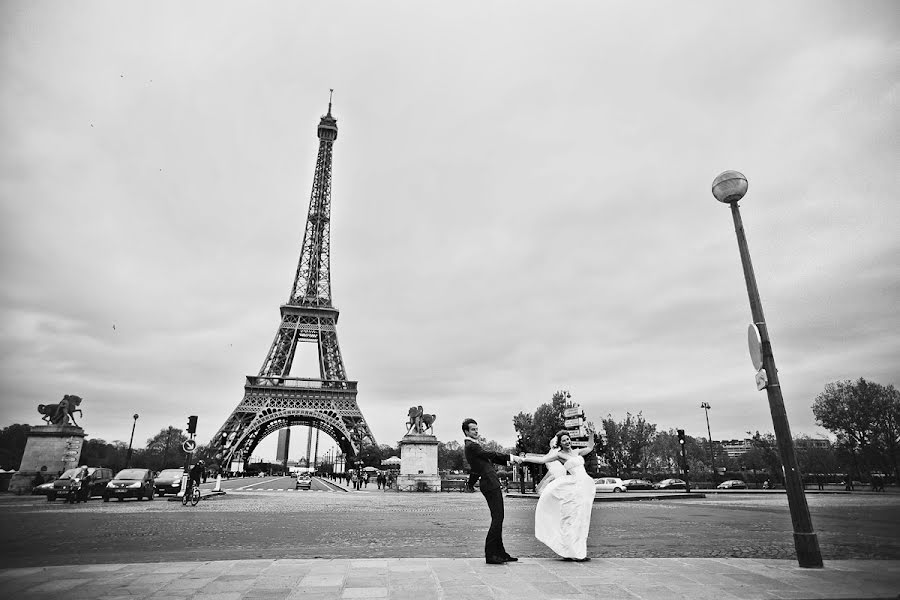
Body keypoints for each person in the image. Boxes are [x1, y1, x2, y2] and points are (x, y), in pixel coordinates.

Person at [520, 430, 596, 562]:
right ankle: (571, 551)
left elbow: (590, 447)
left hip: (585, 486)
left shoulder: (576, 452)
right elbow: (542, 460)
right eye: (564, 440)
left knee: (583, 519)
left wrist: (591, 435)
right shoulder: (559, 455)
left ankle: (578, 552)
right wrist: (523, 459)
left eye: (568, 439)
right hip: (575, 487)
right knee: (573, 519)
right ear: (560, 443)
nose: (567, 442)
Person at [462, 418, 523, 565]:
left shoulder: (473, 445)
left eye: (477, 429)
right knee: (497, 518)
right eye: (473, 429)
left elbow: (483, 463)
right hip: (490, 483)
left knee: (498, 518)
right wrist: (511, 457)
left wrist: (510, 461)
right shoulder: (471, 446)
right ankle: (491, 554)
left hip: (489, 483)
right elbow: (491, 454)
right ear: (466, 431)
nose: (476, 431)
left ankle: (500, 553)